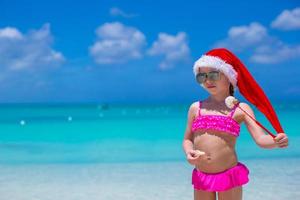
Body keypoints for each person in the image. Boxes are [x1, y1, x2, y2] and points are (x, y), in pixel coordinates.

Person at [182, 48, 289, 200]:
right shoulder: (196, 108)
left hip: (228, 174)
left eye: (213, 74)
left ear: (230, 77)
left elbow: (260, 139)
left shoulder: (241, 109)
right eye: (202, 76)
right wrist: (189, 152)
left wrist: (276, 141)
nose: (207, 80)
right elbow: (187, 139)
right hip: (202, 173)